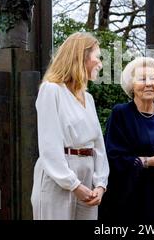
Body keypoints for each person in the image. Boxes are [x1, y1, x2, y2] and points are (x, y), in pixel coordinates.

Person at [31, 32, 109, 220]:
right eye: (97, 57)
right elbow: (49, 145)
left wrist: (100, 184)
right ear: (81, 56)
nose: (100, 63)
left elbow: (98, 145)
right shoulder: (51, 90)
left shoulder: (88, 98)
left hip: (88, 176)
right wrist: (73, 184)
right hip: (58, 176)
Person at [99, 57, 154, 221]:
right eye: (142, 79)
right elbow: (114, 157)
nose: (149, 83)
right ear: (131, 85)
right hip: (134, 198)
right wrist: (149, 161)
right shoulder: (121, 113)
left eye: (153, 78)